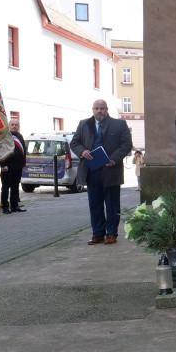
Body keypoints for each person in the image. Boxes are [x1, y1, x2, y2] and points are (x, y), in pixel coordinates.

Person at [70, 100, 133, 245]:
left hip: (111, 170)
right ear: (92, 109)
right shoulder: (84, 124)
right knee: (95, 204)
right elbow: (74, 143)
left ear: (107, 109)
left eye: (102, 108)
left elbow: (126, 145)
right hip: (91, 171)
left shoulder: (119, 124)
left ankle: (111, 233)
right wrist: (82, 151)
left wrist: (113, 159)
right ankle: (98, 233)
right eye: (96, 108)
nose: (99, 111)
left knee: (112, 204)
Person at [0, 118, 26, 213]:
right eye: (12, 125)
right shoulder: (5, 136)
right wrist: (3, 164)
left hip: (18, 166)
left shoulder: (20, 136)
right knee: (6, 187)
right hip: (7, 166)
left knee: (15, 187)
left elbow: (23, 151)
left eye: (16, 125)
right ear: (9, 125)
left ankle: (14, 206)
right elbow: (1, 151)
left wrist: (24, 164)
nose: (14, 126)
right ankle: (5, 207)